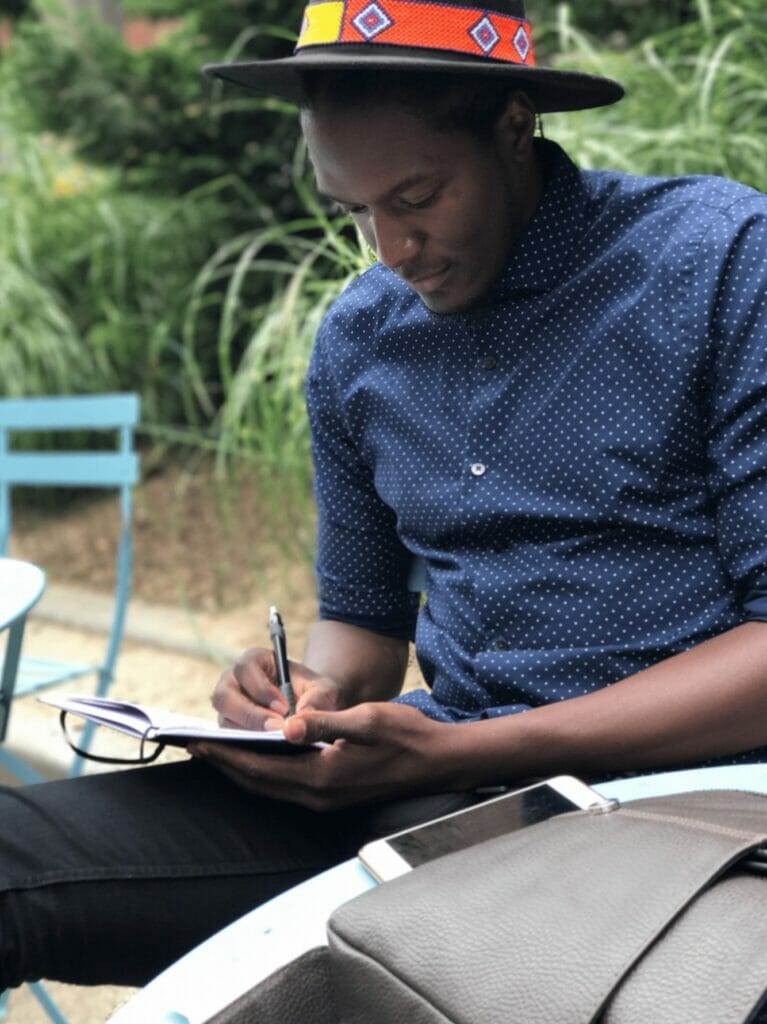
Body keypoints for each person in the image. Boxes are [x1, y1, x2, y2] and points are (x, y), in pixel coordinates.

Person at [1, 0, 767, 993]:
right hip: (432, 794)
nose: (389, 252)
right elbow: (360, 633)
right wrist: (298, 700)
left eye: (416, 196)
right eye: (351, 210)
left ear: (512, 123)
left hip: (685, 807)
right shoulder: (359, 341)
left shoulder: (714, 264)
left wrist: (466, 745)